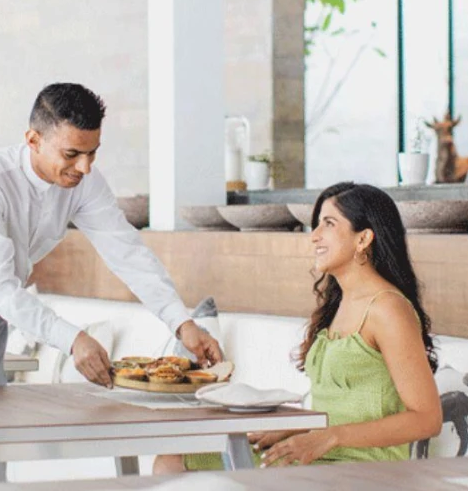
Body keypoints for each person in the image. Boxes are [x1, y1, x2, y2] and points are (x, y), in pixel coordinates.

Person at [0, 82, 225, 489]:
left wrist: (183, 324)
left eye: (93, 152)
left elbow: (127, 253)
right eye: (71, 154)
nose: (85, 167)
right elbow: (0, 288)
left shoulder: (83, 182)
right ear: (33, 140)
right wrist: (74, 339)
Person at [153, 181, 441, 473]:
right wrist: (293, 431)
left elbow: (427, 418)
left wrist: (327, 438)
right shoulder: (339, 305)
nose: (314, 236)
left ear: (363, 238)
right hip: (320, 455)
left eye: (328, 224)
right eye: (316, 226)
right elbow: (342, 407)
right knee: (172, 460)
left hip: (362, 468)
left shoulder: (388, 309)